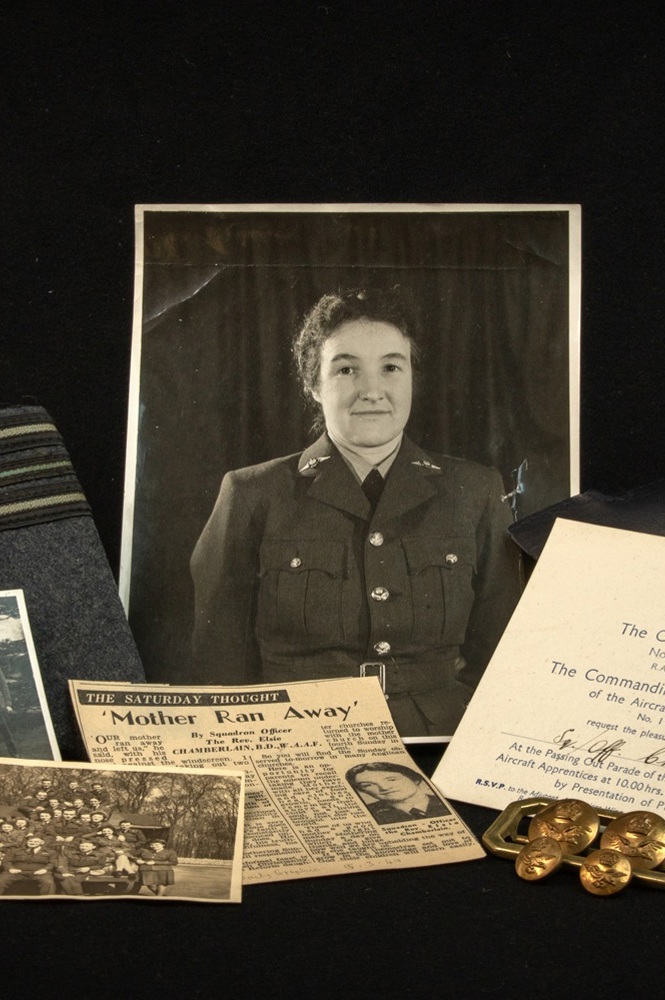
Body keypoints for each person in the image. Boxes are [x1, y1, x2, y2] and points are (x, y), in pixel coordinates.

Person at [190, 287, 522, 736]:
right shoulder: (252, 494)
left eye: (390, 367)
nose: (372, 390)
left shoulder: (475, 491)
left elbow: (503, 660)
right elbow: (219, 673)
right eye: (346, 369)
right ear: (313, 384)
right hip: (296, 743)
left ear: (411, 379)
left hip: (436, 741)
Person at [345, 761, 450, 825]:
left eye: (392, 779)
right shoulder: (369, 813)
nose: (384, 787)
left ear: (414, 779)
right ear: (362, 791)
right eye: (367, 785)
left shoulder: (448, 801)